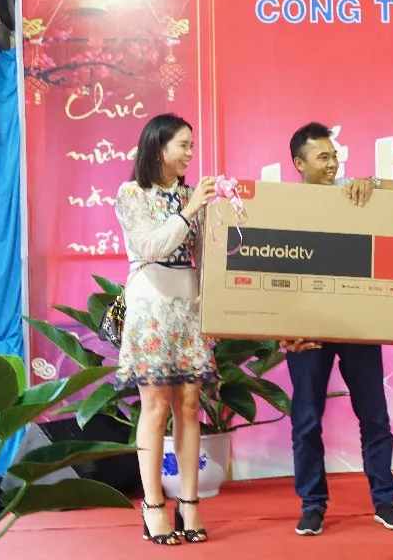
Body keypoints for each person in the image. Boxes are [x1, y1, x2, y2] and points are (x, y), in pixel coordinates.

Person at [279, 121, 393, 536]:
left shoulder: (353, 192)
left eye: (335, 156)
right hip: (307, 331)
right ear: (299, 163)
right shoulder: (282, 205)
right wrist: (282, 328)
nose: (332, 164)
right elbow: (270, 269)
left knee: (375, 417)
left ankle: (385, 500)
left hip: (358, 325)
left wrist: (373, 183)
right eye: (323, 157)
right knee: (306, 421)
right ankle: (312, 505)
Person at [114, 113, 220, 546]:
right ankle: (154, 504)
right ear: (159, 147)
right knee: (155, 406)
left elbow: (205, 255)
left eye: (192, 146)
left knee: (189, 405)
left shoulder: (191, 195)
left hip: (187, 305)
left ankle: (190, 503)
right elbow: (151, 246)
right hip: (150, 306)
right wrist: (190, 210)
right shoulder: (131, 193)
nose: (190, 153)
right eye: (183, 145)